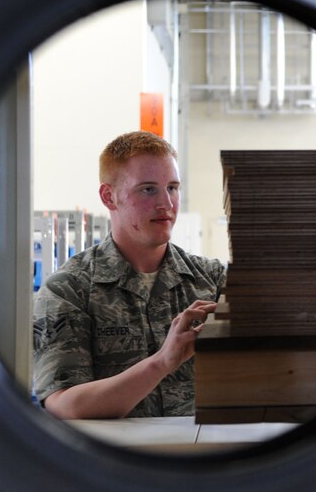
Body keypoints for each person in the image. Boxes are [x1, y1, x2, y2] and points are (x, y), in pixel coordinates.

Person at [33, 131, 225, 419]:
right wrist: (161, 362)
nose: (167, 204)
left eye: (172, 187)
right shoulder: (70, 290)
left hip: (202, 459)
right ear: (109, 196)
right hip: (113, 461)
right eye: (148, 189)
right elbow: (65, 405)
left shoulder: (213, 281)